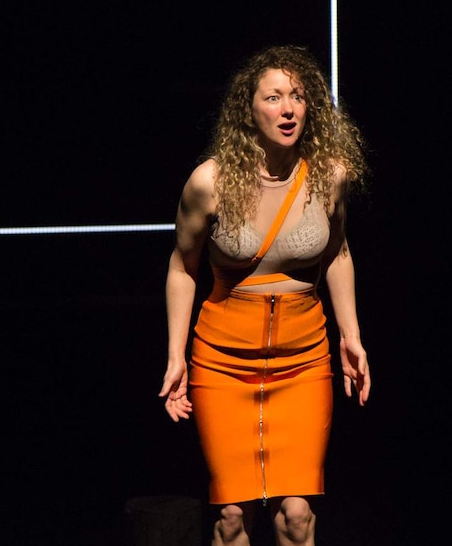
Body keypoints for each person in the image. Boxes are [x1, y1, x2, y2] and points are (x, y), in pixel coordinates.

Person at [158, 44, 371, 546]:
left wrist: (351, 335)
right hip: (222, 360)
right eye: (273, 97)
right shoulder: (209, 184)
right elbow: (182, 268)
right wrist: (175, 355)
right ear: (248, 108)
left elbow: (338, 253)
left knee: (297, 516)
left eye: (297, 97)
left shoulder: (329, 176)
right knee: (231, 516)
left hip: (303, 360)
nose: (288, 109)